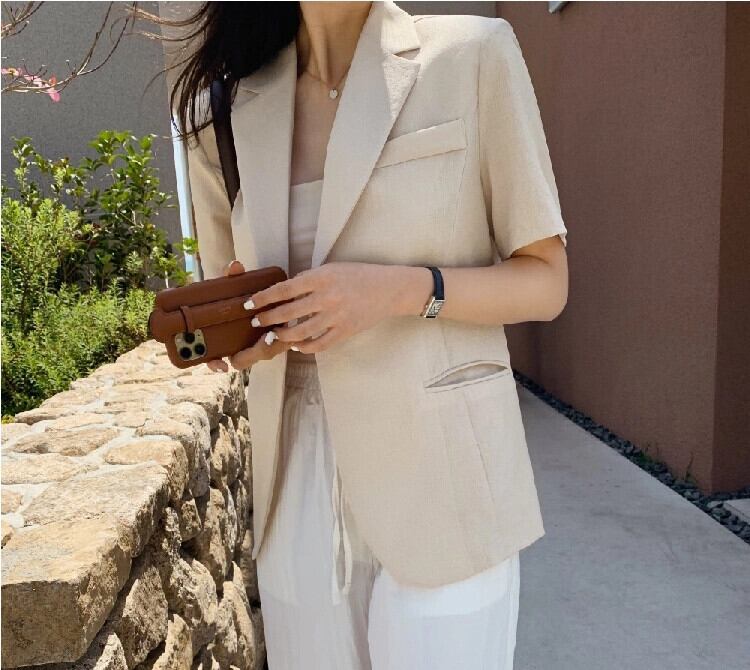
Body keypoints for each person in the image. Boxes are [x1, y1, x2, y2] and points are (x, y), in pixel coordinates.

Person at [171, 2, 569, 667]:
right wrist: (248, 332)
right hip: (296, 490)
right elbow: (238, 305)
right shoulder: (225, 110)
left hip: (444, 481)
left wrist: (397, 290)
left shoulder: (471, 55)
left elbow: (546, 282)